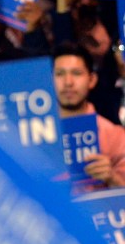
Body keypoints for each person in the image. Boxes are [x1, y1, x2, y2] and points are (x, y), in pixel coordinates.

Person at [53, 42, 125, 189]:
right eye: (60, 74)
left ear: (92, 80)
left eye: (76, 73)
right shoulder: (31, 135)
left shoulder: (116, 136)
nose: (68, 82)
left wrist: (112, 178)